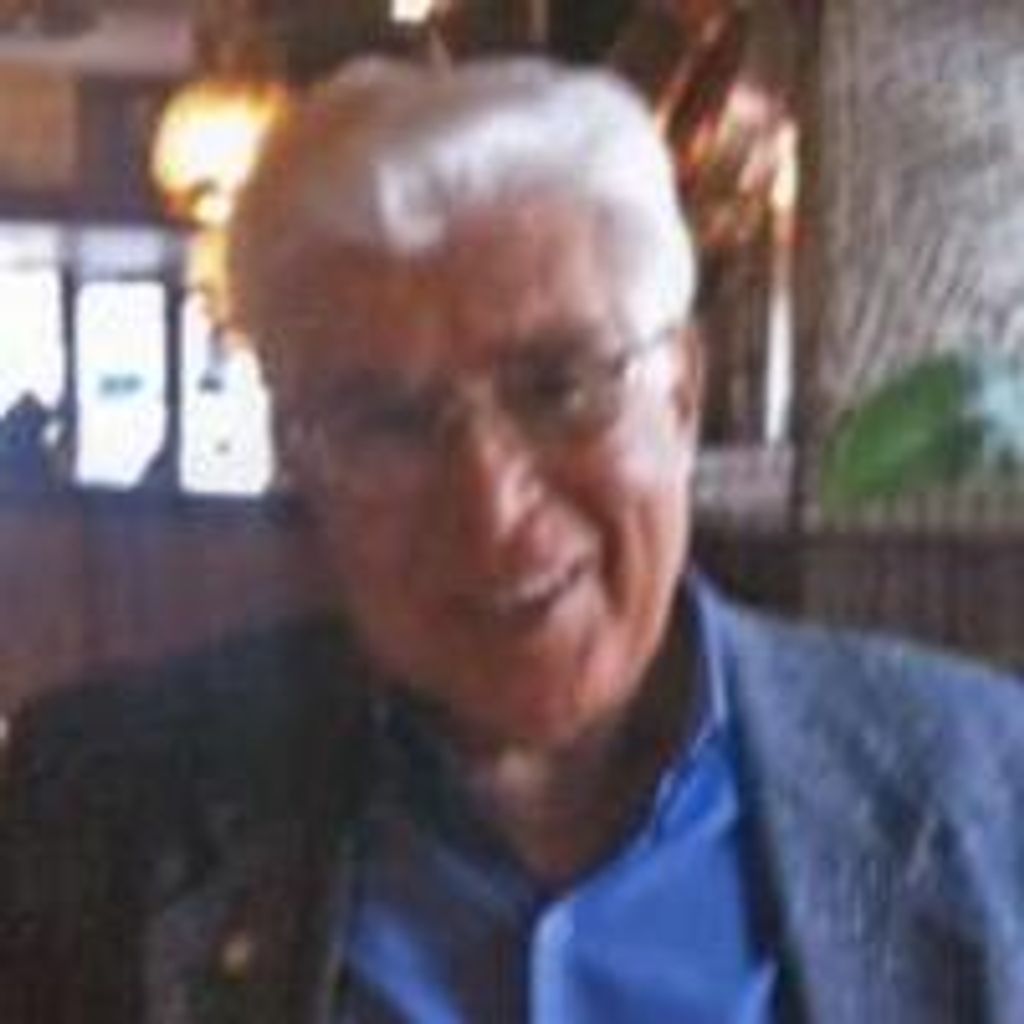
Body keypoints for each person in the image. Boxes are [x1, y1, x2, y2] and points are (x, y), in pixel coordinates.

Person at [2, 57, 1024, 1024]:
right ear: (300, 460)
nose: (490, 507)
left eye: (559, 388)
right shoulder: (99, 806)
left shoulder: (983, 782)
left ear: (680, 394)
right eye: (387, 422)